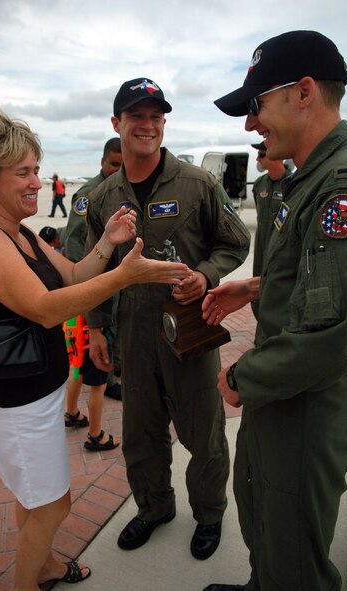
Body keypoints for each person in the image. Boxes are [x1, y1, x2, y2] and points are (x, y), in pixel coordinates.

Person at [0, 95, 193, 591]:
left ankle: (43, 566)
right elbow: (48, 307)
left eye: (36, 169)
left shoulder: (19, 233)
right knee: (54, 505)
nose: (36, 182)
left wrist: (106, 244)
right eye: (23, 172)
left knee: (33, 497)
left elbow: (71, 275)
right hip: (17, 404)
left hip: (36, 395)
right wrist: (125, 277)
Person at [202, 30, 347, 591]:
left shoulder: (339, 186)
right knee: (262, 505)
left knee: (294, 550)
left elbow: (329, 334)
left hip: (305, 401)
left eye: (257, 104)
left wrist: (244, 375)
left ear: (304, 92)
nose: (249, 125)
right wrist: (256, 287)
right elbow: (310, 280)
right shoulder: (309, 180)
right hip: (283, 392)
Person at [85, 77, 251, 560]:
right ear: (117, 124)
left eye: (157, 117)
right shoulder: (101, 198)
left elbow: (235, 243)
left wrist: (205, 274)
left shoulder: (197, 184)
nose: (148, 125)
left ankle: (209, 513)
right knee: (140, 431)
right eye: (137, 116)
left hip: (189, 330)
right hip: (133, 335)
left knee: (204, 431)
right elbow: (93, 265)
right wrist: (96, 326)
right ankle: (154, 508)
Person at [64, 138, 124, 452]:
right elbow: (74, 243)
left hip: (114, 285)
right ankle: (104, 385)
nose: (118, 170)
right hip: (94, 287)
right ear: (102, 162)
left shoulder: (123, 189)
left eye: (122, 164)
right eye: (114, 164)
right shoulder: (89, 194)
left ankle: (108, 378)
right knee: (95, 348)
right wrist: (85, 287)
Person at [250, 141, 292, 319]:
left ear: (276, 157)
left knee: (278, 290)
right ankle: (261, 329)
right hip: (261, 245)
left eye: (261, 155)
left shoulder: (292, 184)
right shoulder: (260, 184)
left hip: (281, 247)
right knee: (256, 289)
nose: (258, 159)